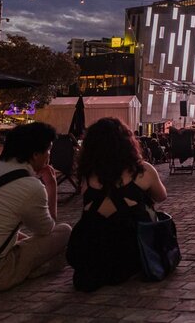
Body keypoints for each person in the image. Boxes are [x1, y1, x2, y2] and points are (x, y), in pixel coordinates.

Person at [67, 118, 168, 291]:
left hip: (93, 251)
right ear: (128, 143)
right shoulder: (143, 170)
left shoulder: (87, 176)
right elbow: (161, 197)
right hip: (131, 250)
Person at [0, 122, 71, 295]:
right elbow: (46, 229)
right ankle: (36, 268)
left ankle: (38, 265)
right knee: (64, 232)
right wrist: (51, 184)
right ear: (35, 155)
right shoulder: (30, 185)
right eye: (48, 150)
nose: (49, 155)